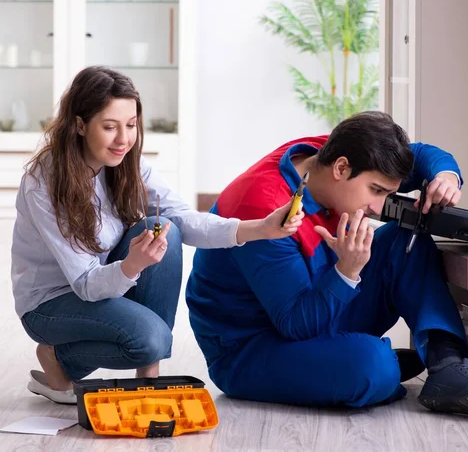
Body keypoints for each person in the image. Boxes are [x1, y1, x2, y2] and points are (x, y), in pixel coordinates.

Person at [186, 111, 468, 418]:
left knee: (405, 240)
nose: (379, 206)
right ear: (341, 169)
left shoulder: (333, 154)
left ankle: (446, 365)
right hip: (251, 347)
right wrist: (347, 271)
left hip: (317, 304)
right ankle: (359, 362)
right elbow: (295, 324)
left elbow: (420, 154)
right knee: (373, 366)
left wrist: (445, 177)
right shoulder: (264, 208)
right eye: (376, 191)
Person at [11, 66, 303, 405]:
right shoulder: (45, 183)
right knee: (151, 340)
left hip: (104, 283)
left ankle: (147, 379)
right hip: (52, 303)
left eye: (131, 125)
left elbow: (184, 218)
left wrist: (261, 227)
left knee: (166, 228)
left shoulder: (125, 165)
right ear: (79, 125)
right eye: (109, 127)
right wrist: (132, 266)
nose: (124, 139)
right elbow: (85, 283)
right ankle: (59, 358)